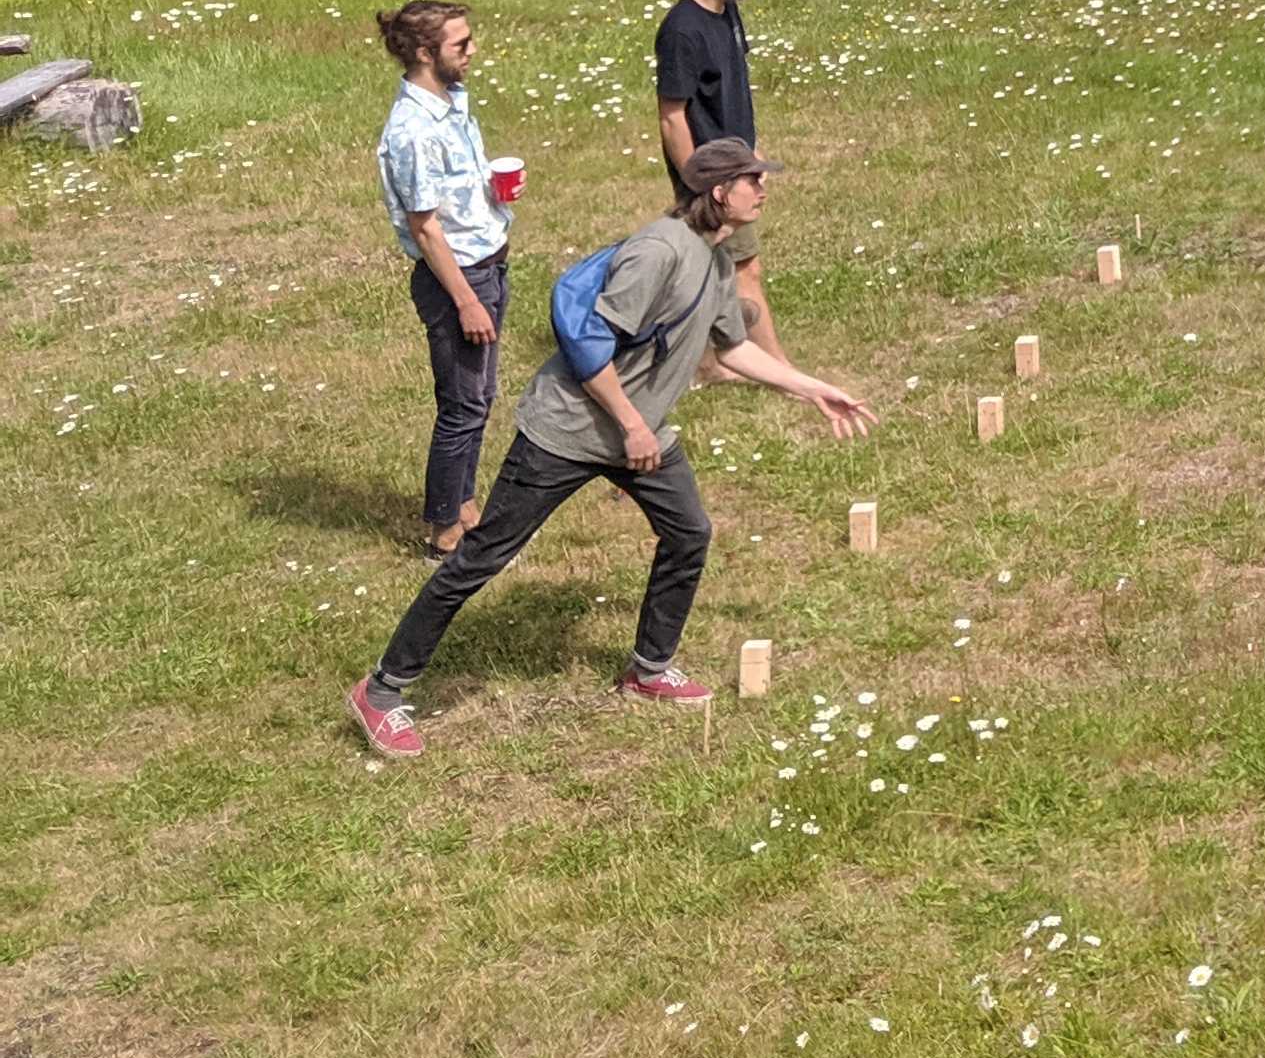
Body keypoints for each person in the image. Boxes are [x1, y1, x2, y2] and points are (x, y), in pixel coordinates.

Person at [347, 140, 873, 757]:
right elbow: (589, 345)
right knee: (481, 559)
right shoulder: (659, 250)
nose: (764, 188)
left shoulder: (717, 259)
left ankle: (649, 670)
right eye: (752, 179)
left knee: (688, 532)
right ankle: (381, 691)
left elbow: (732, 350)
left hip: (636, 433)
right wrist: (631, 425)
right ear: (719, 192)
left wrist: (813, 390)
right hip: (566, 431)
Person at [375, 0, 508, 559]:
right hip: (457, 280)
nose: (473, 51)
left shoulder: (451, 103)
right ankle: (443, 532)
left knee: (480, 396)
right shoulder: (411, 131)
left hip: (488, 261)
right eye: (462, 44)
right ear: (425, 53)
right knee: (461, 404)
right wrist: (466, 304)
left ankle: (465, 503)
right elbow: (426, 229)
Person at [657, 0, 788, 367]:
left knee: (706, 267)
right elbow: (673, 116)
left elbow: (734, 85)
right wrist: (699, 180)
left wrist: (753, 149)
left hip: (736, 164)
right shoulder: (681, 31)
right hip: (713, 175)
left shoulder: (728, 11)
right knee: (744, 268)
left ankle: (708, 362)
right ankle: (777, 370)